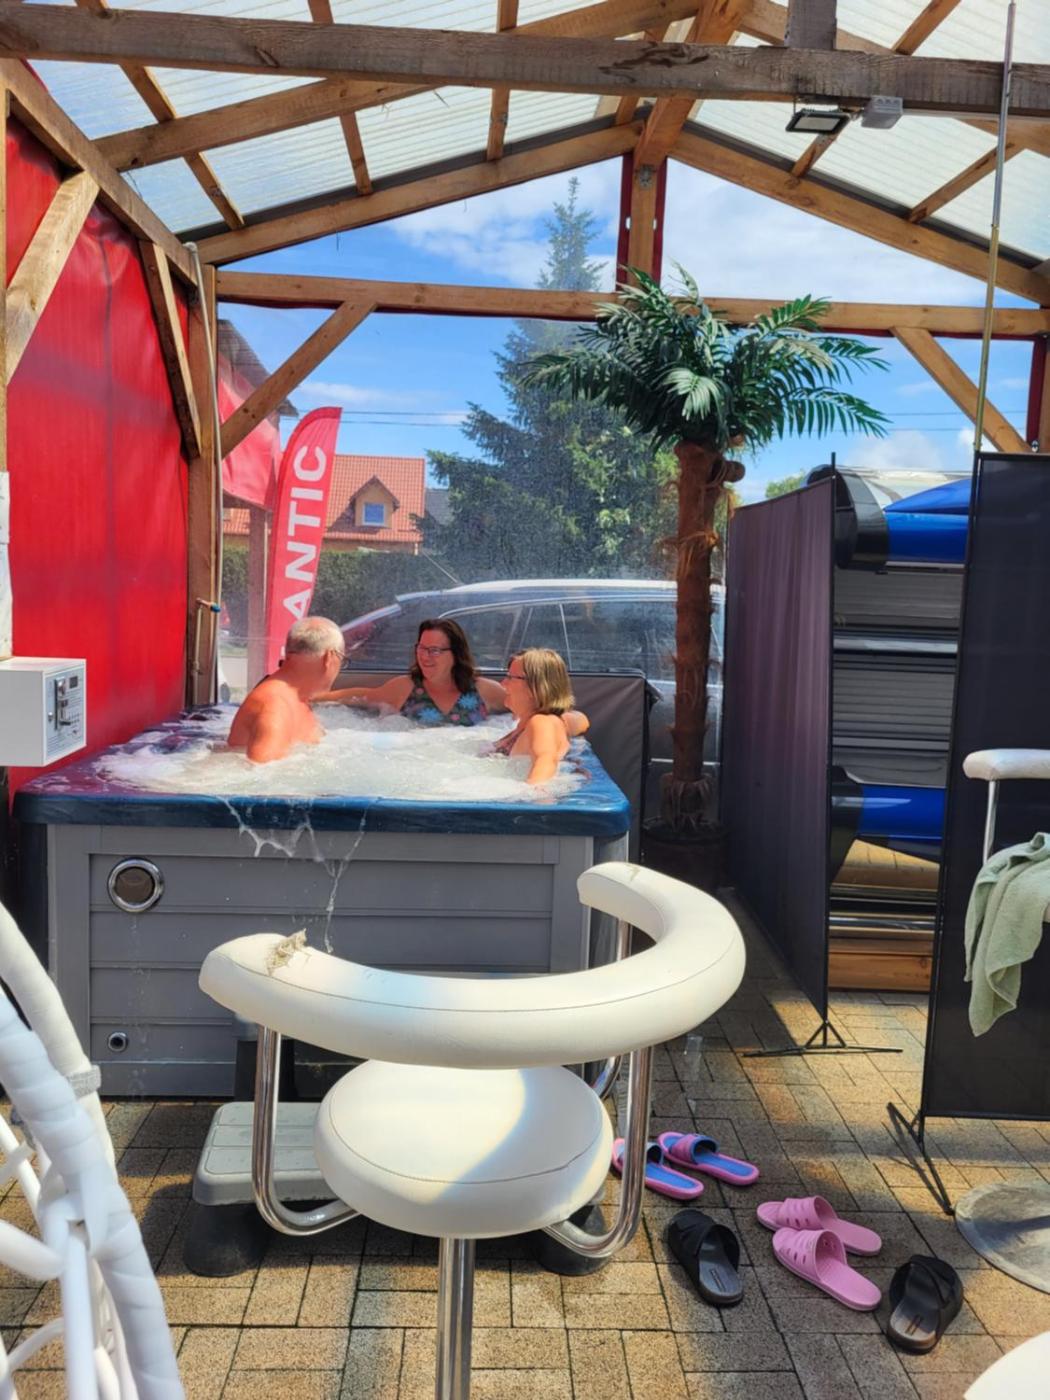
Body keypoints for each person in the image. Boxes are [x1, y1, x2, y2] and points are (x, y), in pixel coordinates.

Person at [316, 618, 507, 725]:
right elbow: (362, 696)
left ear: (456, 654)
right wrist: (314, 698)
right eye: (421, 648)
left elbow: (522, 707)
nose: (424, 656)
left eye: (434, 650)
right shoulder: (405, 688)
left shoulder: (484, 691)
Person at [228, 616, 346, 764]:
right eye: (343, 660)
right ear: (330, 658)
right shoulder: (275, 707)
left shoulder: (294, 698)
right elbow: (259, 773)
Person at [493, 648, 589, 785]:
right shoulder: (539, 721)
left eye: (510, 677)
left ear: (535, 687)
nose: (503, 683)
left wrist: (535, 793)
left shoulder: (541, 722)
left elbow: (545, 759)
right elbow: (580, 721)